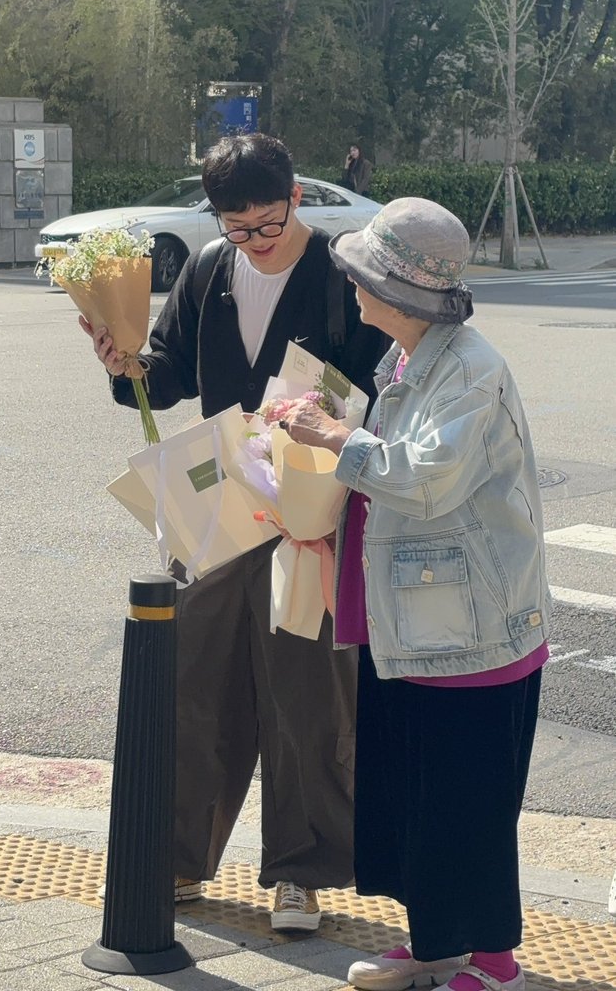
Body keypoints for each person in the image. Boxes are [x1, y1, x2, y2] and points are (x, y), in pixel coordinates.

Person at [81, 133, 387, 932]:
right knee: (198, 687)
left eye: (268, 222)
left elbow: (380, 383)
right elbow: (173, 371)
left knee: (306, 698)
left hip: (309, 516)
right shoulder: (212, 270)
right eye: (236, 226)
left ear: (294, 196)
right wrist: (126, 365)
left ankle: (301, 873)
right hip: (222, 508)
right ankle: (180, 861)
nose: (254, 240)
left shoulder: (339, 272)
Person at [281, 197, 551, 990]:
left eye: (362, 278)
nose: (352, 292)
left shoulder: (469, 367)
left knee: (463, 801)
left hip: (467, 629)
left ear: (396, 293)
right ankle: (434, 942)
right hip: (417, 620)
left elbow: (424, 479)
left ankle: (493, 961)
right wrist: (338, 424)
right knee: (414, 792)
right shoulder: (410, 357)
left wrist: (338, 439)